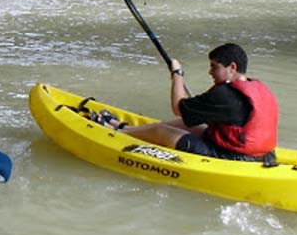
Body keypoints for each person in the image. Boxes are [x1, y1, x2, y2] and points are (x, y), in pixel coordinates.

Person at [103, 43, 278, 163]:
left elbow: (177, 107)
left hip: (233, 157)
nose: (210, 72)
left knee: (161, 131)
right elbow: (188, 117)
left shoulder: (225, 95)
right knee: (187, 125)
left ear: (232, 67)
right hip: (264, 155)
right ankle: (123, 128)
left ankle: (116, 133)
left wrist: (177, 73)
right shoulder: (256, 86)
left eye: (214, 67)